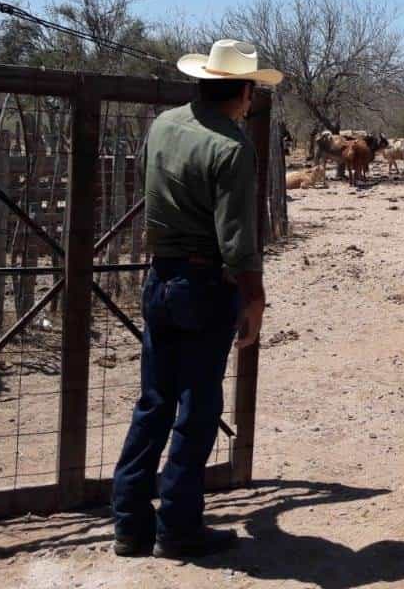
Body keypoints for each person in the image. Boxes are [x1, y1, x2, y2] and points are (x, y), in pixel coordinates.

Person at [112, 40, 282, 559]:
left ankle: (129, 522)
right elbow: (236, 236)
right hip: (205, 285)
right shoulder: (231, 146)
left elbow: (146, 187)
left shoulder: (163, 125)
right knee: (199, 404)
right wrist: (254, 297)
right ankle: (179, 525)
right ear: (245, 91)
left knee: (154, 401)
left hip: (159, 277)